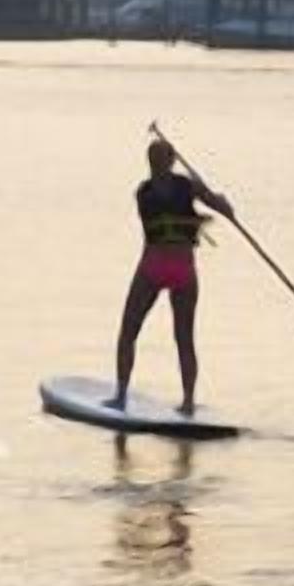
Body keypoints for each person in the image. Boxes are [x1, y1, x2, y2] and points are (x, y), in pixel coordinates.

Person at [113, 133, 228, 414]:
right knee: (184, 338)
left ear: (150, 163)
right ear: (172, 161)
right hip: (183, 270)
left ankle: (121, 395)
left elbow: (168, 218)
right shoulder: (187, 186)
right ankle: (188, 401)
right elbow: (220, 209)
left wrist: (204, 207)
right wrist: (216, 199)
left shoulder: (143, 192)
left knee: (128, 332)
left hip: (153, 267)